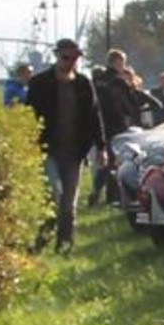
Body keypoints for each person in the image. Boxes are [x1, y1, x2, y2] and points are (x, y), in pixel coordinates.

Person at [24, 39, 107, 253]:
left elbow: (94, 116)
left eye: (75, 58)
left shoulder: (83, 84)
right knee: (54, 195)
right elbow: (28, 115)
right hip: (48, 149)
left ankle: (64, 244)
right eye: (66, 57)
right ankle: (43, 237)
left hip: (75, 152)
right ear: (57, 56)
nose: (70, 62)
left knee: (69, 203)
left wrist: (102, 147)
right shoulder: (40, 83)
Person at [89, 49, 141, 207]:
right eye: (122, 62)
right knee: (116, 161)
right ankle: (111, 196)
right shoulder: (119, 82)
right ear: (116, 62)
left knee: (107, 160)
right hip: (117, 125)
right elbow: (131, 104)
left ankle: (98, 190)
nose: (123, 66)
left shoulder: (98, 81)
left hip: (100, 123)